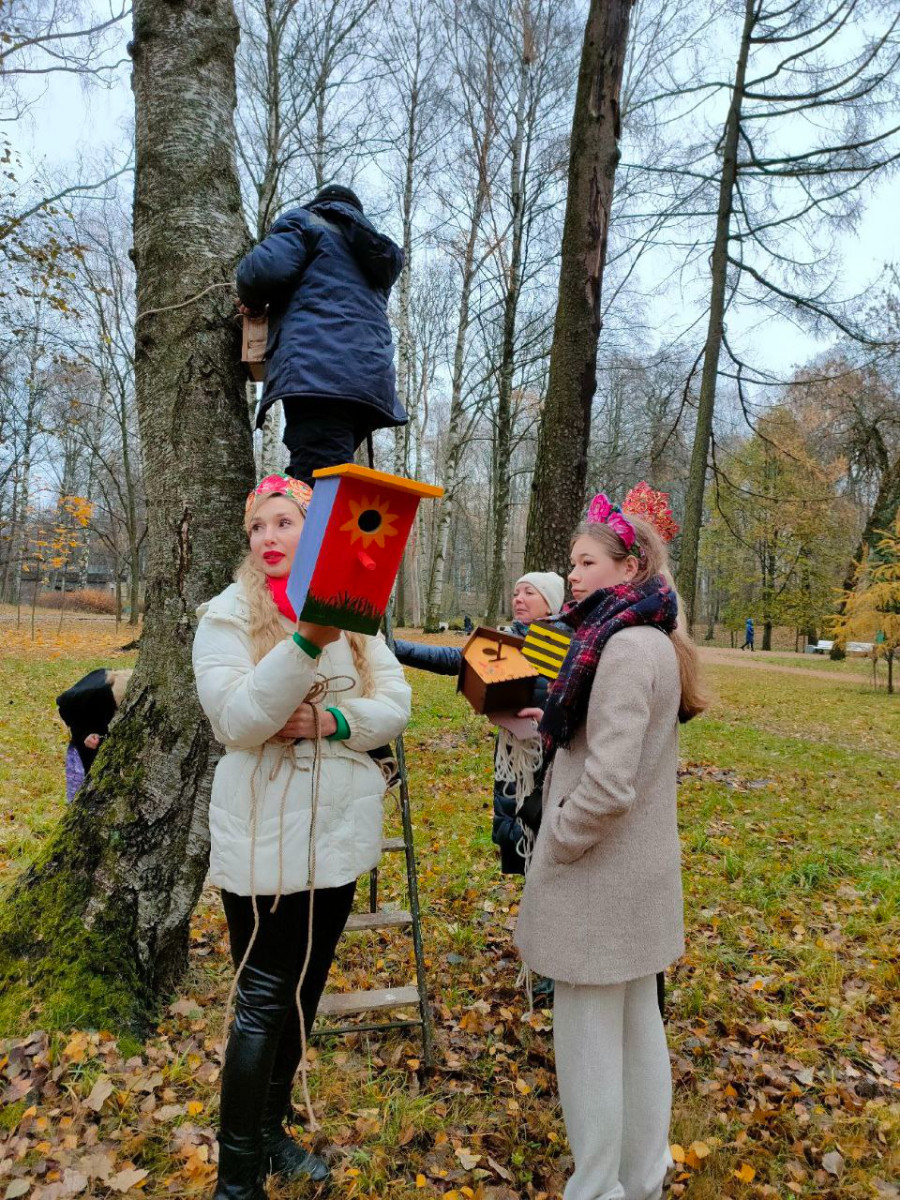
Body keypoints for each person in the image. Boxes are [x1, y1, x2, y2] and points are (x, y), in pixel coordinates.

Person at [192, 472, 411, 1200]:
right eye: (258, 528)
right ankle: (237, 1178)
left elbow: (396, 705)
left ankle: (273, 1130)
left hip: (340, 833)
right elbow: (239, 722)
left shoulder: (355, 612)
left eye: (284, 523)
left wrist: (336, 722)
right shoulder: (223, 617)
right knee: (262, 997)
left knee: (306, 989)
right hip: (264, 833)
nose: (268, 539)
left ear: (313, 534)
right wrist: (305, 645)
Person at [514, 490, 708, 1200]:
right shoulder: (642, 637)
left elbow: (610, 783)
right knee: (637, 1030)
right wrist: (535, 730)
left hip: (600, 879)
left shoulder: (624, 646)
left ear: (631, 566)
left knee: (590, 1045)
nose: (574, 574)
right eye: (572, 562)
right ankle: (641, 1179)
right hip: (636, 880)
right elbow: (604, 744)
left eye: (587, 561)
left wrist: (559, 841)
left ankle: (597, 1189)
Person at [393, 571, 566, 874]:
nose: (518, 599)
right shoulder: (510, 642)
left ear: (550, 604)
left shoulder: (561, 644)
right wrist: (395, 648)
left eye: (529, 593)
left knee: (545, 842)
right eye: (516, 593)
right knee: (520, 840)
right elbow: (455, 659)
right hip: (514, 756)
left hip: (549, 760)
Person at [236, 184, 407, 486]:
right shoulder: (373, 250)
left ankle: (311, 528)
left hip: (318, 371)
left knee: (319, 477)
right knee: (322, 466)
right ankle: (305, 519)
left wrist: (250, 301)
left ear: (322, 204)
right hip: (368, 381)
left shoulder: (305, 222)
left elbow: (261, 271)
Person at [56, 668, 132, 802]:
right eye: (118, 708)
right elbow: (64, 707)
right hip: (82, 729)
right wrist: (85, 734)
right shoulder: (89, 694)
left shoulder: (132, 682)